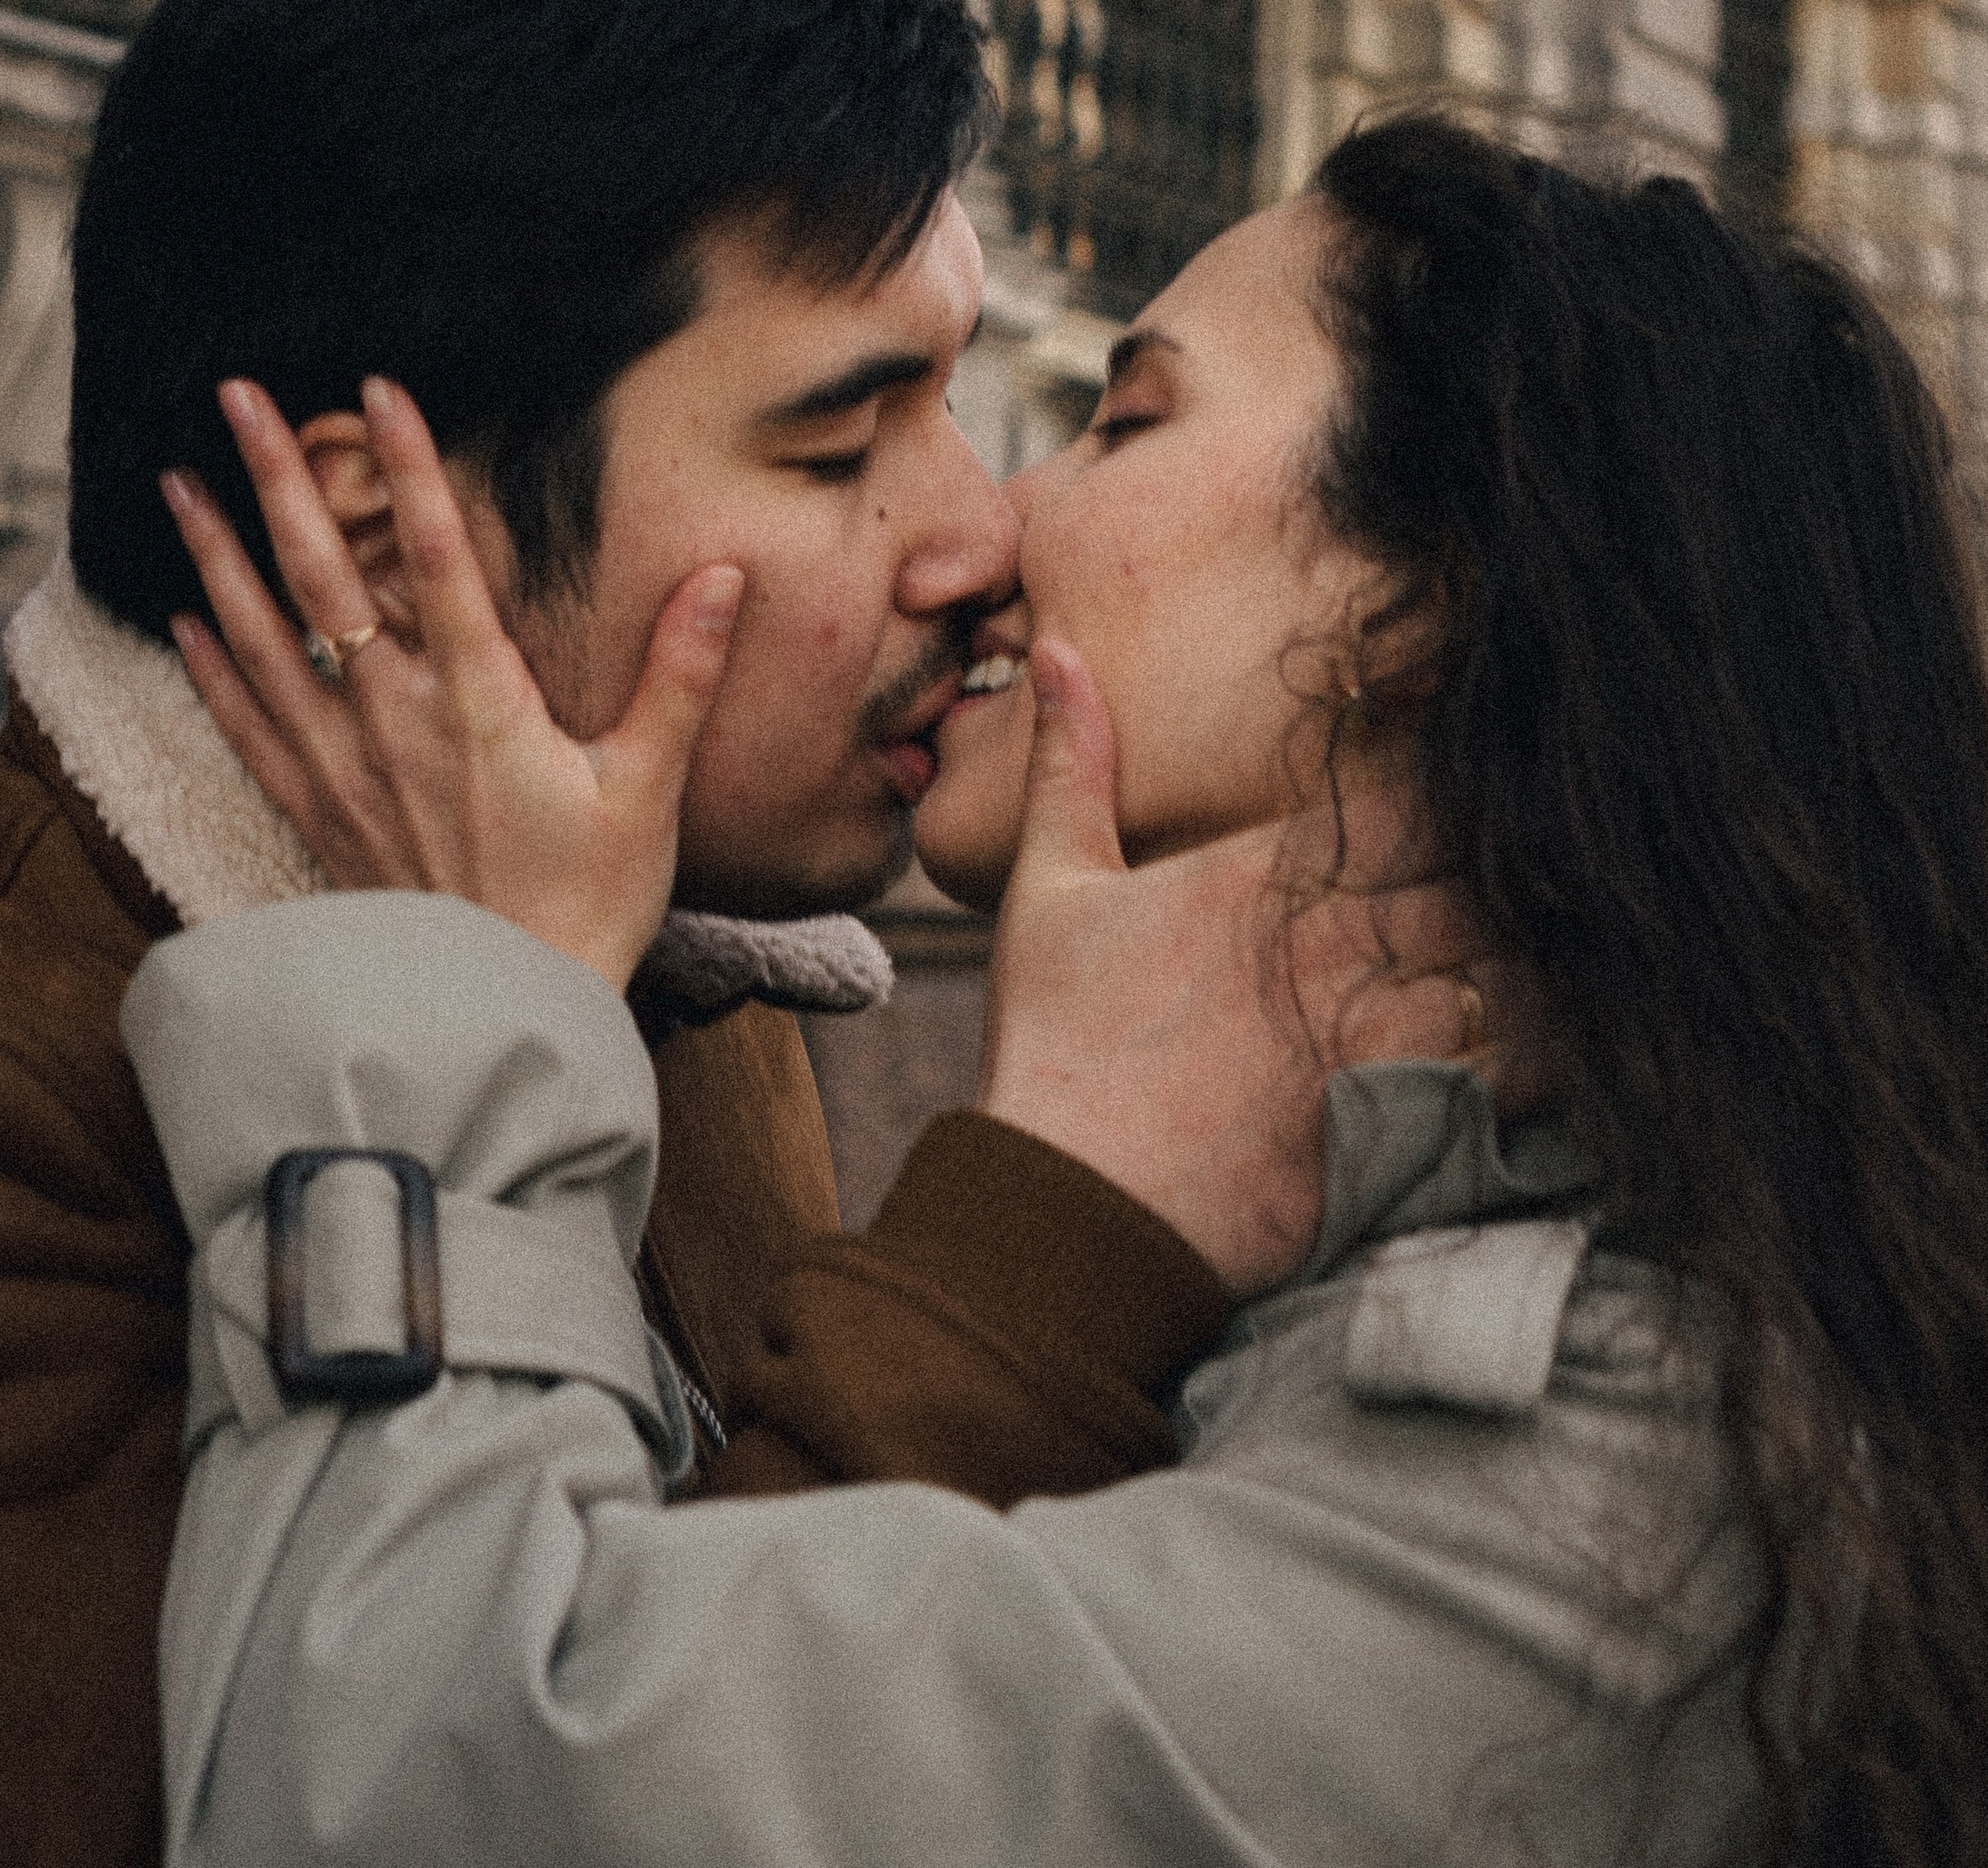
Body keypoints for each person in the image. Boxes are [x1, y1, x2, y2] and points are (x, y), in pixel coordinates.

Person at [123, 112, 1988, 1865]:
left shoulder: (1628, 1502)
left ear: (1415, 609)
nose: (987, 530)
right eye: (841, 445)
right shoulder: (1613, 1290)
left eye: (1122, 417)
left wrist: (462, 1005)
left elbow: (386, 1800)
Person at [0, 0, 1487, 1868]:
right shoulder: (46, 1095)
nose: (982, 535)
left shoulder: (671, 937)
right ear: (376, 533)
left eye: (962, 401)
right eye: (834, 442)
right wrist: (1034, 1260)